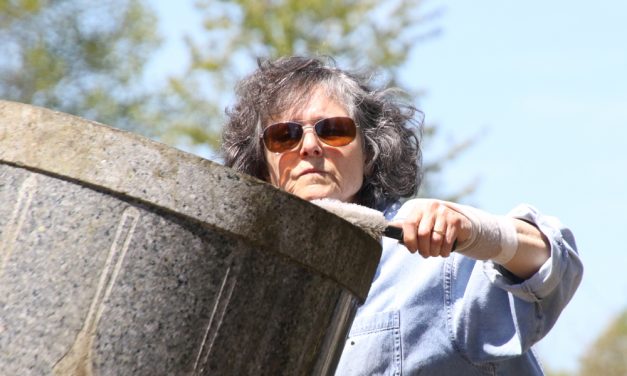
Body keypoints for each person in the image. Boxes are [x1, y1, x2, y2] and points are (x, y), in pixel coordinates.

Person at [221, 56, 583, 375]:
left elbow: (554, 270)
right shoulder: (250, 293)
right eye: (285, 135)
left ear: (369, 152)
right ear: (262, 164)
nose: (311, 146)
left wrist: (479, 233)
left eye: (333, 130)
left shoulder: (430, 252)